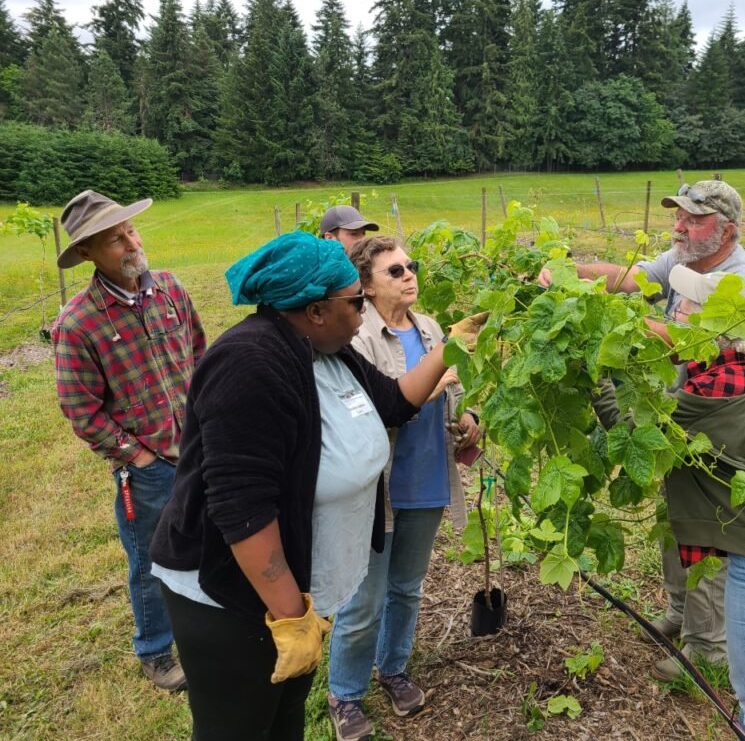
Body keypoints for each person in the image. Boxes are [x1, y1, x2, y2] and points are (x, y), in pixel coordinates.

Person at [149, 231, 486, 741]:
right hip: (229, 596)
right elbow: (241, 508)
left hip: (287, 594)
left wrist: (449, 346)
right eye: (356, 301)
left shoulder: (331, 352)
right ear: (316, 310)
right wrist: (290, 618)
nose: (363, 310)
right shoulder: (249, 364)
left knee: (282, 723)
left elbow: (394, 402)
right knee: (237, 728)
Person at [541, 179, 745, 675]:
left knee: (707, 528)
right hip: (680, 414)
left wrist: (605, 321)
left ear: (726, 229)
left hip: (723, 425)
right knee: (678, 519)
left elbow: (688, 343)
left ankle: (708, 649)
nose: (679, 226)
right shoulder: (684, 258)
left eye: (693, 219)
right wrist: (570, 274)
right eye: (679, 216)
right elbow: (632, 278)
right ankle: (678, 612)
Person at [595, 264, 745, 741]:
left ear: (713, 328)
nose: (671, 312)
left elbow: (629, 429)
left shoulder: (713, 391)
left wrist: (596, 366)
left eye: (682, 307)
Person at [324, 236, 481, 741]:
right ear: (365, 286)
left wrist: (469, 419)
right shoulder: (357, 340)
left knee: (406, 590)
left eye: (410, 266)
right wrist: (421, 388)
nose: (409, 275)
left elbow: (454, 396)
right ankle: (345, 694)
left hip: (429, 481)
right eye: (394, 271)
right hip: (380, 491)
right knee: (362, 600)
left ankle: (393, 669)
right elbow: (361, 415)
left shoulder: (432, 328)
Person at [52, 189, 206, 692]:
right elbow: (81, 409)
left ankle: (204, 625)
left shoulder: (170, 289)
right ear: (89, 254)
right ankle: (156, 652)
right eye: (114, 239)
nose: (130, 242)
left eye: (130, 231)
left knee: (206, 538)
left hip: (198, 447)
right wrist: (138, 456)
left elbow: (200, 356)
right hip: (148, 467)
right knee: (150, 560)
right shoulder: (78, 323)